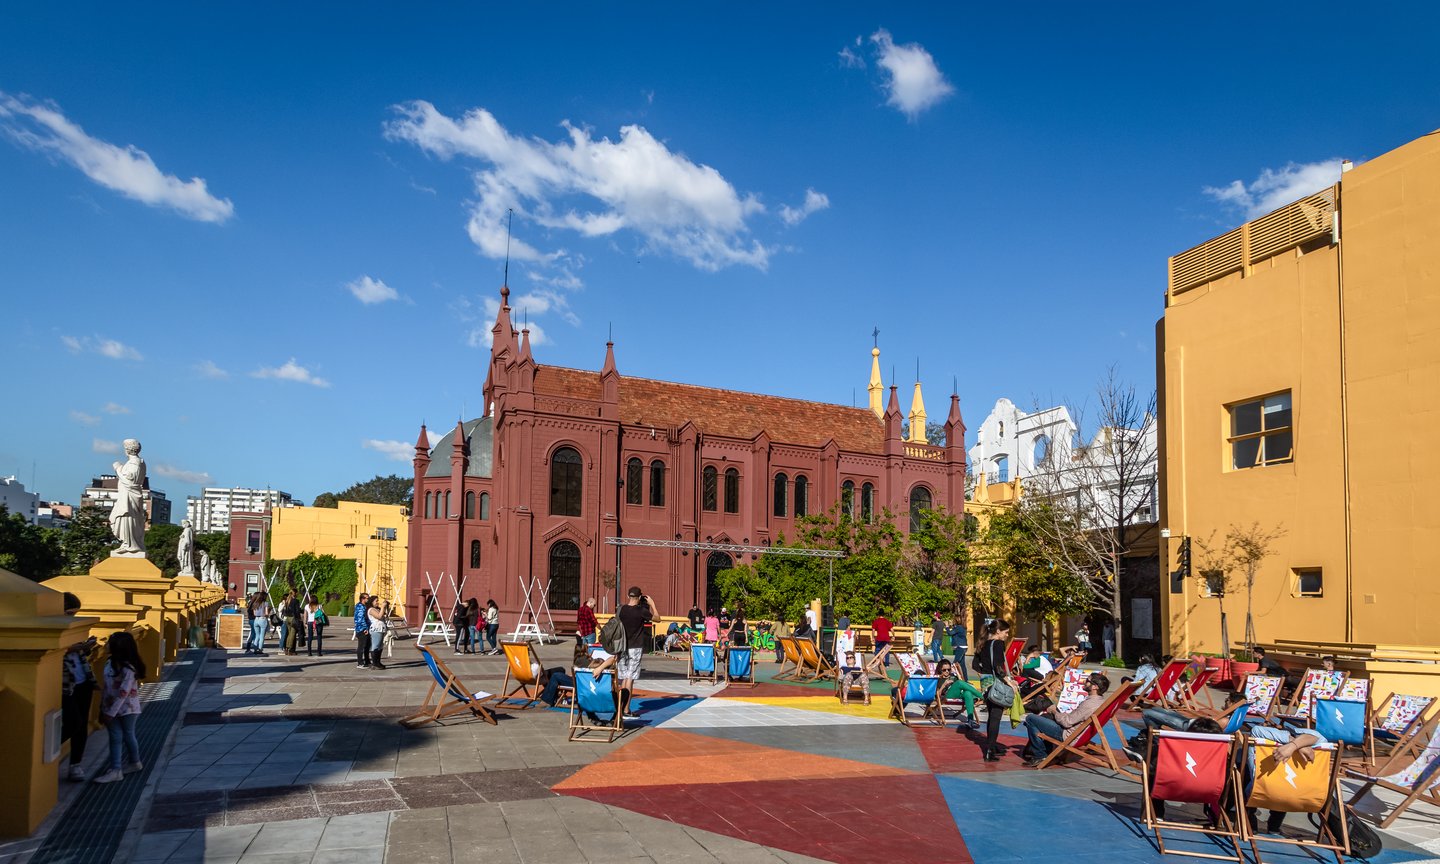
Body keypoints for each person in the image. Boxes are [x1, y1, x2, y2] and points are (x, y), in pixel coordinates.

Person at [1021, 672, 1111, 766]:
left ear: (1095, 687)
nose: (1084, 682)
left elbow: (1066, 722)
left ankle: (1040, 755)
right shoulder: (1101, 702)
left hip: (1068, 735)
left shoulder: (1089, 704)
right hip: (1079, 735)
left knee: (1030, 719)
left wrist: (1054, 711)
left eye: (1087, 681)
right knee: (1043, 718)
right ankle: (1043, 753)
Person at [94, 631, 146, 784]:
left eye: (110, 642)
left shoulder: (128, 669)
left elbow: (124, 693)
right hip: (110, 706)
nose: (106, 645)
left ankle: (119, 768)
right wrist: (102, 707)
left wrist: (110, 712)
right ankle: (130, 763)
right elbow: (107, 688)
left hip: (127, 708)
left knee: (124, 735)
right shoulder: (110, 663)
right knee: (118, 736)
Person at [60, 593, 97, 781]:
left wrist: (87, 646)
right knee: (73, 722)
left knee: (81, 724)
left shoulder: (75, 629)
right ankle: (49, 753)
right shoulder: (56, 629)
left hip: (84, 681)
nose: (72, 617)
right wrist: (72, 648)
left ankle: (76, 764)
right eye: (69, 613)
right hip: (67, 685)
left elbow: (80, 652)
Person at [971, 618, 1017, 762]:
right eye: (1006, 632)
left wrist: (984, 674)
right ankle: (989, 751)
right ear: (998, 631)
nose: (1007, 635)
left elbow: (974, 665)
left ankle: (992, 745)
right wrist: (1009, 682)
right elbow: (998, 666)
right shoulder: (998, 643)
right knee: (996, 716)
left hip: (985, 682)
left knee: (992, 714)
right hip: (996, 682)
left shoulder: (982, 643)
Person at [616, 586, 656, 721]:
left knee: (623, 679)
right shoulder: (641, 611)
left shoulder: (621, 609)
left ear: (628, 596)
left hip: (621, 647)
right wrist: (652, 604)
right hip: (635, 647)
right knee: (630, 678)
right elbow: (658, 619)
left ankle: (620, 708)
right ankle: (626, 709)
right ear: (639, 597)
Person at [107, 439, 146, 555]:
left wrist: (118, 468)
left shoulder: (135, 462)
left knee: (127, 517)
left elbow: (129, 479)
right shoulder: (136, 462)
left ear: (128, 450)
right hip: (127, 495)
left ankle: (130, 544)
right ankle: (127, 543)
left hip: (129, 495)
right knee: (125, 517)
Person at [935, 659, 982, 728]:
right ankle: (981, 696)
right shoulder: (938, 679)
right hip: (948, 695)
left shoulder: (954, 676)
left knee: (968, 693)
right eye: (944, 670)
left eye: (949, 669)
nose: (947, 671)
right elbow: (937, 695)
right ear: (940, 670)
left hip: (959, 694)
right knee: (959, 683)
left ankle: (970, 720)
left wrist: (958, 676)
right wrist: (944, 685)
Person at [367, 597, 388, 669]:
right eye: (376, 601)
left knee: (380, 646)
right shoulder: (371, 610)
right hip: (376, 629)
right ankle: (374, 663)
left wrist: (384, 607)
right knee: (375, 646)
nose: (378, 602)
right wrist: (382, 607)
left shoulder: (377, 609)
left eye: (378, 601)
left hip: (381, 629)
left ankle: (378, 662)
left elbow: (384, 615)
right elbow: (379, 616)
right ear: (372, 602)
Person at [248, 591, 271, 656]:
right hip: (262, 619)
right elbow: (266, 613)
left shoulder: (255, 603)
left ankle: (255, 649)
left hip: (256, 620)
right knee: (262, 636)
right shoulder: (265, 603)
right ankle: (260, 649)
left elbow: (254, 613)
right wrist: (267, 613)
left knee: (257, 635)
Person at [281, 590, 303, 655]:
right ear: (295, 593)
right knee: (292, 634)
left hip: (287, 618)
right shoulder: (296, 601)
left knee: (288, 633)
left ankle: (286, 648)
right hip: (293, 618)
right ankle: (290, 649)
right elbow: (297, 611)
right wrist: (299, 618)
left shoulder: (287, 600)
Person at [353, 592, 371, 668]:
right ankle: (360, 663)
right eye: (367, 598)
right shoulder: (360, 607)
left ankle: (367, 661)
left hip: (364, 628)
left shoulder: (363, 606)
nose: (368, 599)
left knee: (367, 646)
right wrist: (365, 628)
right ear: (362, 599)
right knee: (361, 646)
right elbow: (360, 619)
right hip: (361, 629)